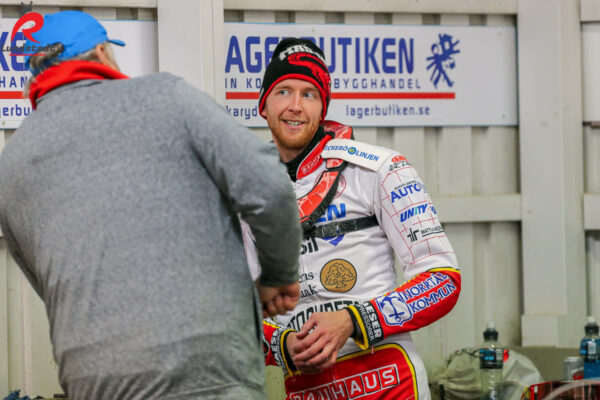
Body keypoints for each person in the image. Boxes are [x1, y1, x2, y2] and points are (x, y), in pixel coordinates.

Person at [0, 11, 301, 400]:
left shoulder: (11, 163)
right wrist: (278, 275)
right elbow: (269, 187)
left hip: (97, 382)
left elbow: (48, 281)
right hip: (207, 371)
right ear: (102, 53)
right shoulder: (167, 98)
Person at [242, 38, 462, 399]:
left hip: (391, 386)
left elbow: (442, 279)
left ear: (323, 106)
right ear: (263, 104)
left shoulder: (381, 168)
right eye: (283, 91)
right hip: (307, 389)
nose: (295, 106)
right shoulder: (242, 195)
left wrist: (354, 320)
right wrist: (282, 345)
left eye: (309, 94)